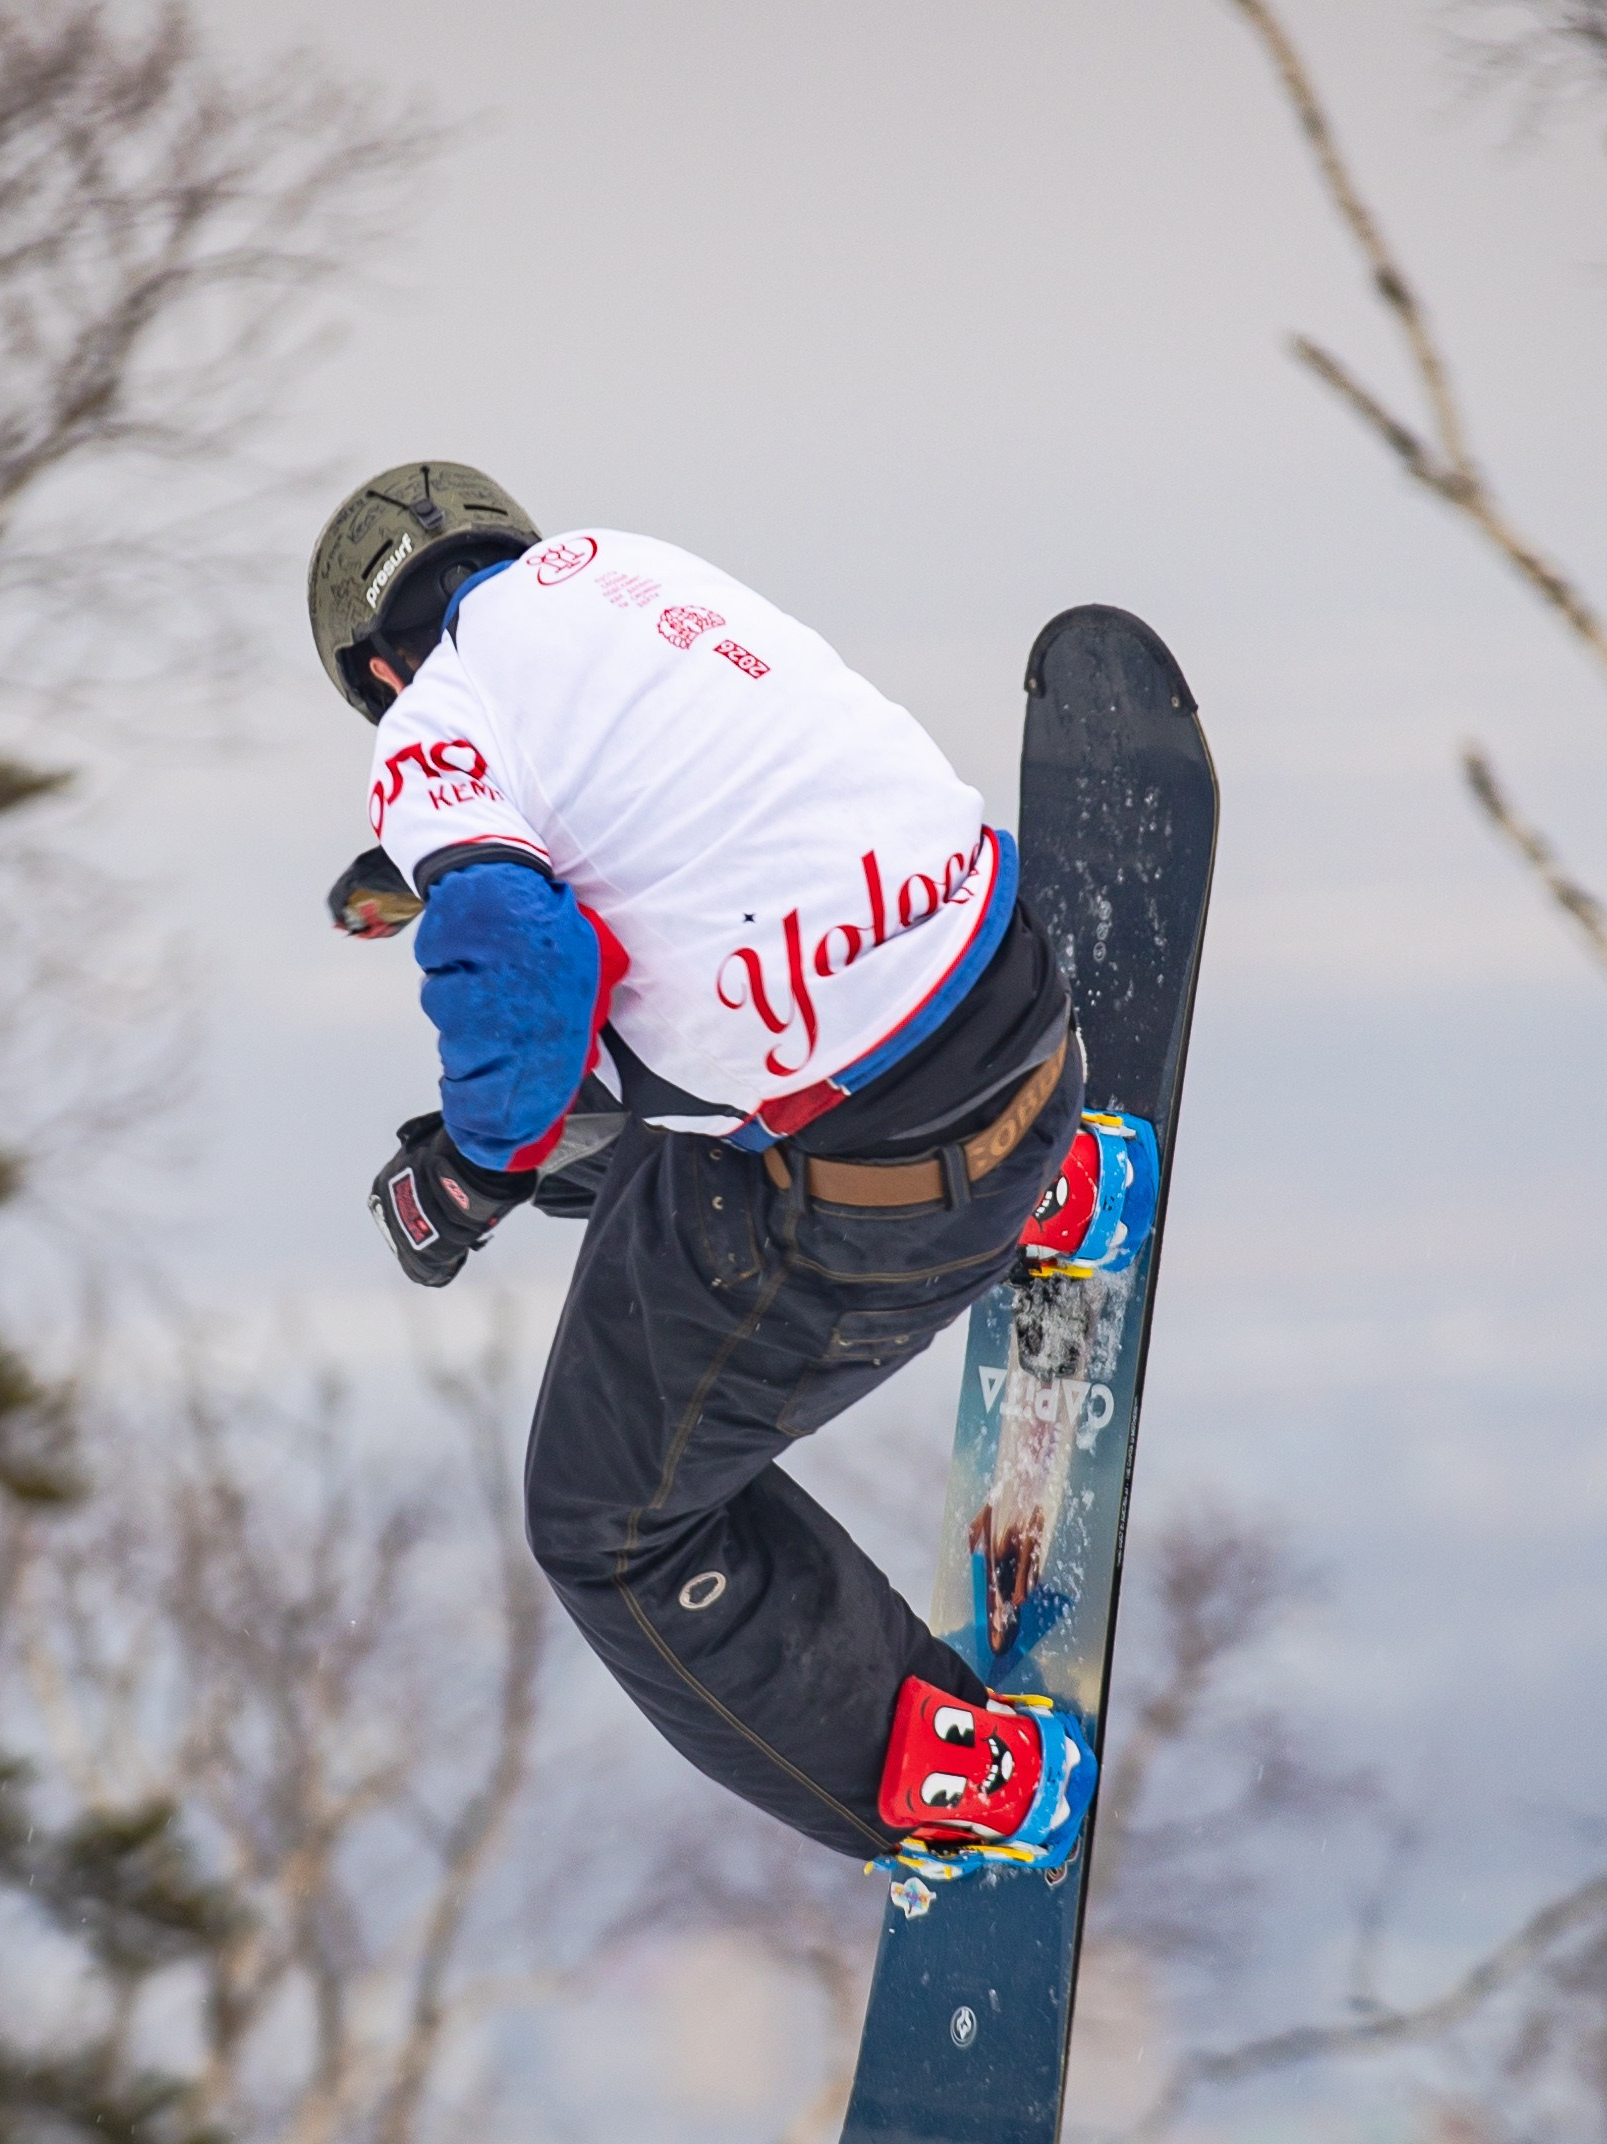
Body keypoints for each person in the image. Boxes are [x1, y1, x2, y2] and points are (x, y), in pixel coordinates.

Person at [306, 461, 1127, 1886]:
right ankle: (1041, 1188)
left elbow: (523, 960)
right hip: (1021, 1026)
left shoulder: (433, 722)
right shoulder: (633, 574)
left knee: (606, 1526)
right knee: (612, 1128)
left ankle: (959, 1779)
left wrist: (465, 1179)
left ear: (379, 667)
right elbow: (692, 866)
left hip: (874, 1184)